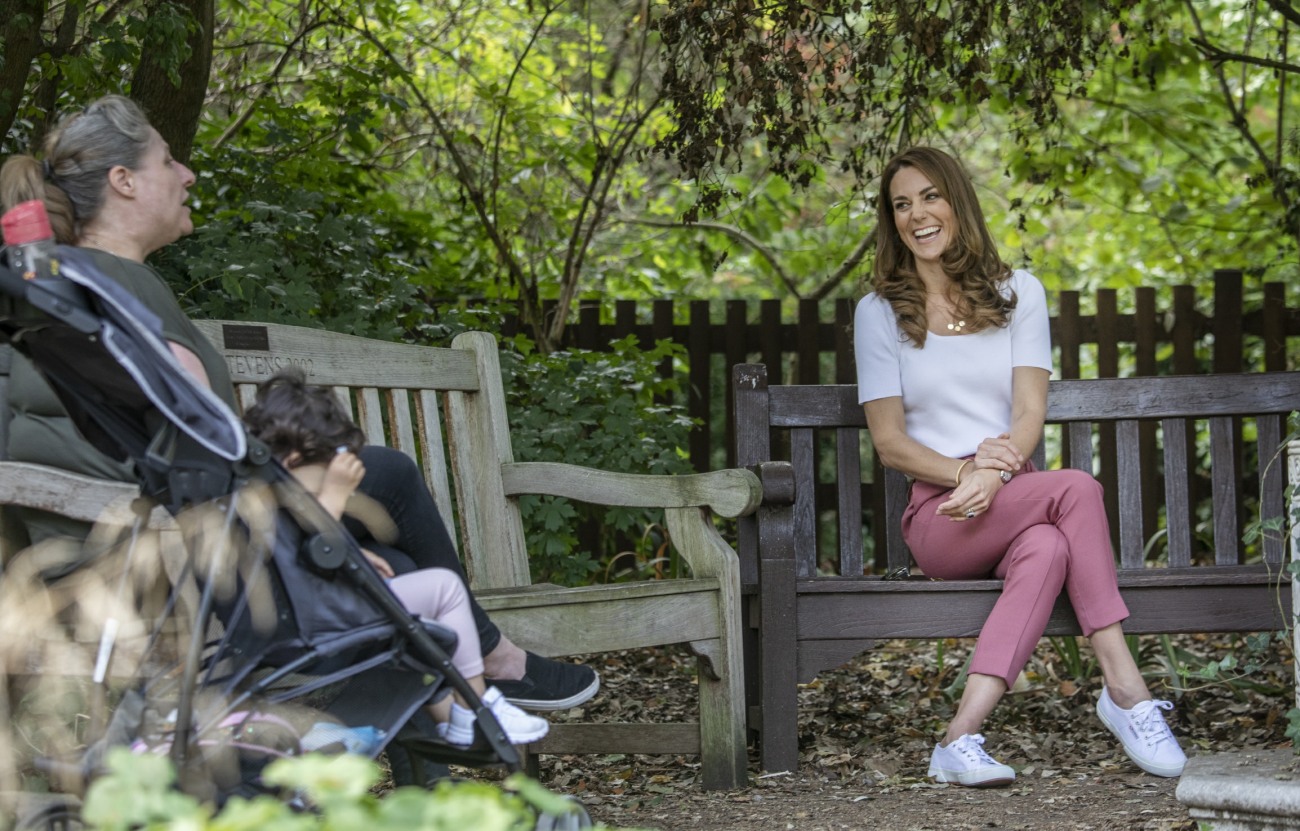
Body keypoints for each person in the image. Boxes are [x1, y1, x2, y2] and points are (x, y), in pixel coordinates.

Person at [0, 94, 598, 711]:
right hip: (169, 558)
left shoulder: (62, 294)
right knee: (385, 474)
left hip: (115, 547)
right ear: (122, 182)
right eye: (168, 160)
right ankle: (494, 660)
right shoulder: (116, 287)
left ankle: (434, 740)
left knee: (388, 563)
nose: (187, 174)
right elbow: (207, 441)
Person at [853, 146, 1186, 787]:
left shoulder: (1016, 293)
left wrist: (995, 474)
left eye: (929, 197)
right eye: (901, 204)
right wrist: (966, 476)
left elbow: (1030, 412)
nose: (916, 215)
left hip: (1012, 493)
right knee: (1077, 489)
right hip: (943, 514)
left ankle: (959, 739)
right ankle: (1127, 691)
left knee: (1046, 548)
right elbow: (890, 443)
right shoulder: (879, 312)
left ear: (957, 202)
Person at [242, 368, 548, 746]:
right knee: (445, 589)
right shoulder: (281, 501)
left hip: (302, 625)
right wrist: (335, 495)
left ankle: (444, 722)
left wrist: (359, 556)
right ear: (292, 460)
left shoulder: (252, 496)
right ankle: (475, 705)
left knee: (401, 574)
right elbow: (308, 555)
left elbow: (301, 553)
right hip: (313, 631)